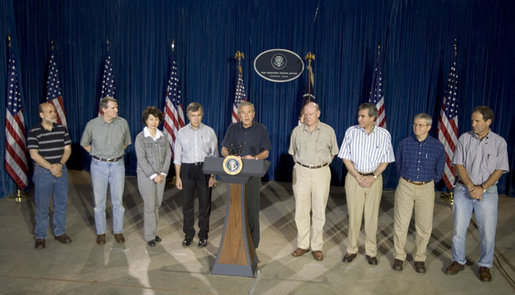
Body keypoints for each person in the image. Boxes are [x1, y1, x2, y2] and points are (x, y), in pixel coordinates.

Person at [444, 106, 509, 282]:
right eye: (472, 120)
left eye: (477, 121)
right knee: (458, 229)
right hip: (463, 190)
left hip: (488, 192)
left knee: (487, 232)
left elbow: (500, 169)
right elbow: (458, 164)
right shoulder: (465, 139)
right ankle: (458, 260)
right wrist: (472, 186)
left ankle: (485, 265)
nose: (473, 124)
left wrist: (482, 188)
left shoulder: (499, 142)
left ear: (488, 122)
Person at [338, 102, 394, 265]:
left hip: (374, 180)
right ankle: (351, 249)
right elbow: (345, 158)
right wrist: (357, 176)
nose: (359, 119)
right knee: (354, 216)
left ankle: (371, 251)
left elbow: (385, 161)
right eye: (359, 115)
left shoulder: (384, 135)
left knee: (371, 217)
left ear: (373, 117)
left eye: (363, 116)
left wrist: (373, 177)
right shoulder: (351, 132)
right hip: (354, 178)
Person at [392, 113, 445, 272]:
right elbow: (398, 166)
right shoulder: (404, 144)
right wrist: (405, 180)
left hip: (426, 187)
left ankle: (420, 258)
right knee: (401, 224)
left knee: (424, 225)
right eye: (415, 124)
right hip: (405, 185)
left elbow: (439, 170)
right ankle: (399, 256)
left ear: (428, 127)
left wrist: (429, 180)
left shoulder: (437, 146)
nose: (416, 127)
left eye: (421, 125)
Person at [288, 102, 338, 261]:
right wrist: (303, 165)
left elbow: (333, 153)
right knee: (301, 211)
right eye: (305, 114)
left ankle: (317, 246)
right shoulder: (297, 131)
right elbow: (293, 152)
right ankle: (303, 244)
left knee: (319, 211)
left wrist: (321, 165)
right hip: (301, 172)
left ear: (318, 114)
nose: (307, 117)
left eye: (310, 114)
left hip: (321, 172)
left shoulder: (328, 131)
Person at [80, 96, 131, 245]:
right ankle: (101, 232)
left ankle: (118, 231)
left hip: (117, 166)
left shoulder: (123, 123)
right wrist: (97, 154)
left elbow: (126, 143)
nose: (116, 110)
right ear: (104, 109)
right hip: (98, 166)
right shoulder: (92, 124)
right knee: (99, 202)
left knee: (117, 201)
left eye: (116, 107)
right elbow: (84, 143)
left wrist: (114, 154)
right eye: (113, 108)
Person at [221, 101, 271, 249]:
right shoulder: (233, 128)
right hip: (233, 174)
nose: (246, 115)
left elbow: (266, 152)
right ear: (239, 115)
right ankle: (235, 243)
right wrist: (231, 158)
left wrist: (254, 158)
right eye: (243, 112)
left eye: (249, 112)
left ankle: (252, 245)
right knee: (234, 209)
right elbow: (224, 150)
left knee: (252, 211)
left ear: (253, 114)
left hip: (252, 174)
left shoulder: (261, 129)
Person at [27, 103, 72, 249]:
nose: (54, 114)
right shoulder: (34, 131)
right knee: (42, 206)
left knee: (60, 204)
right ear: (41, 115)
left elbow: (68, 149)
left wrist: (59, 165)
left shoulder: (62, 129)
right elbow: (34, 154)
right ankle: (40, 236)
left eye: (54, 111)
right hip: (43, 173)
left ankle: (60, 232)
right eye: (50, 112)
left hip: (61, 171)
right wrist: (51, 168)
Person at [174, 102, 218, 247]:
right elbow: (177, 157)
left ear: (202, 115)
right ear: (188, 116)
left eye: (198, 115)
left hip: (204, 170)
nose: (196, 119)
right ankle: (188, 234)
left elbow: (214, 155)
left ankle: (203, 235)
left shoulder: (209, 131)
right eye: (193, 116)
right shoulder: (181, 132)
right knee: (187, 205)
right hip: (186, 171)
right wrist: (178, 177)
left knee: (204, 205)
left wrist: (213, 175)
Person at [135, 107, 171, 247]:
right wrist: (153, 175)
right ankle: (149, 236)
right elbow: (142, 159)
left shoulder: (163, 136)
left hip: (161, 176)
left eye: (156, 119)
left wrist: (163, 173)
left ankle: (154, 232)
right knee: (150, 206)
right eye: (151, 119)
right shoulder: (140, 138)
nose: (154, 122)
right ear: (146, 120)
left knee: (157, 205)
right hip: (146, 176)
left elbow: (168, 155)